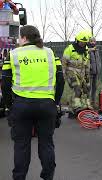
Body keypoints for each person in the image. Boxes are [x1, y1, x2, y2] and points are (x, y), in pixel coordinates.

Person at [1, 25, 64, 180]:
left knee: (21, 145)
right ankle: (48, 176)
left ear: (23, 38)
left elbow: (5, 83)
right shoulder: (50, 53)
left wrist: (9, 106)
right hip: (46, 105)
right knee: (46, 144)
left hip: (21, 105)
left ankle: (19, 177)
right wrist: (54, 102)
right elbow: (61, 81)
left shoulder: (14, 54)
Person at [62, 30, 92, 117]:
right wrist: (64, 76)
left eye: (84, 42)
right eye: (81, 42)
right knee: (77, 88)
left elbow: (87, 64)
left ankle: (80, 107)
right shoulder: (70, 49)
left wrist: (87, 77)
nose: (83, 44)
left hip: (82, 74)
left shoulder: (86, 50)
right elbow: (64, 63)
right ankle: (76, 108)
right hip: (71, 72)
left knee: (85, 89)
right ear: (77, 41)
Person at [87, 37, 101, 108]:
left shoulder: (96, 50)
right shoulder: (87, 50)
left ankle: (93, 102)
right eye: (91, 41)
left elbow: (98, 60)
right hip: (90, 72)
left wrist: (99, 68)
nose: (93, 42)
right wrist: (90, 68)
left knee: (94, 88)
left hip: (96, 72)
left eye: (94, 41)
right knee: (88, 88)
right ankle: (88, 103)